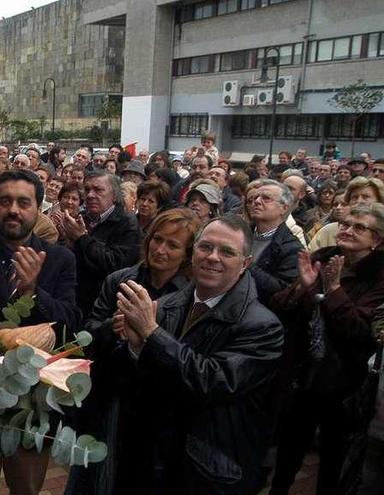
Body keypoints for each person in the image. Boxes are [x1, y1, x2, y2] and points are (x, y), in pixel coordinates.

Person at [110, 215, 284, 494]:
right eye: (206, 247)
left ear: (246, 263)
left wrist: (152, 334)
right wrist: (135, 348)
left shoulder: (263, 327)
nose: (212, 257)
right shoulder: (166, 305)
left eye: (227, 252)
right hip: (149, 460)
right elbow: (135, 385)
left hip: (206, 471)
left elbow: (212, 382)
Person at [67, 208, 200, 495]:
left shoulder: (189, 294)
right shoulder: (120, 280)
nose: (161, 250)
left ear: (187, 254)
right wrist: (111, 327)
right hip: (109, 394)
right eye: (157, 239)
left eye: (173, 245)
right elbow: (86, 335)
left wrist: (150, 333)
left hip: (156, 405)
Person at [0, 169, 81, 495]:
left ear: (38, 208)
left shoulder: (60, 259)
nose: (13, 210)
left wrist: (32, 293)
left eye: (23, 202)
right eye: (5, 201)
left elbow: (70, 322)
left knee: (27, 488)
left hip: (33, 402)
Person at [269, 204, 384, 495]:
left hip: (344, 382)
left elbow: (360, 332)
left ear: (377, 240)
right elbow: (282, 306)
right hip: (303, 374)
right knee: (288, 455)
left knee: (333, 461)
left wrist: (333, 290)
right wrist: (303, 287)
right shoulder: (323, 257)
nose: (347, 230)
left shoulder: (380, 277)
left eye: (359, 228)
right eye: (345, 224)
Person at [59, 171, 141, 312]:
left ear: (114, 195)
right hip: (72, 299)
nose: (90, 195)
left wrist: (81, 238)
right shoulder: (81, 218)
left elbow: (114, 265)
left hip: (102, 307)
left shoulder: (127, 224)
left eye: (98, 190)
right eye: (87, 190)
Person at [245, 179, 302, 305]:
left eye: (266, 198)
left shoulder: (292, 248)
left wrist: (246, 265)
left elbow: (284, 290)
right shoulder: (240, 234)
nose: (257, 201)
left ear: (284, 208)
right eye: (255, 198)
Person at [309, 176, 384, 252]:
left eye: (365, 197)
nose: (359, 201)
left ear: (379, 200)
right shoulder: (329, 231)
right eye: (355, 197)